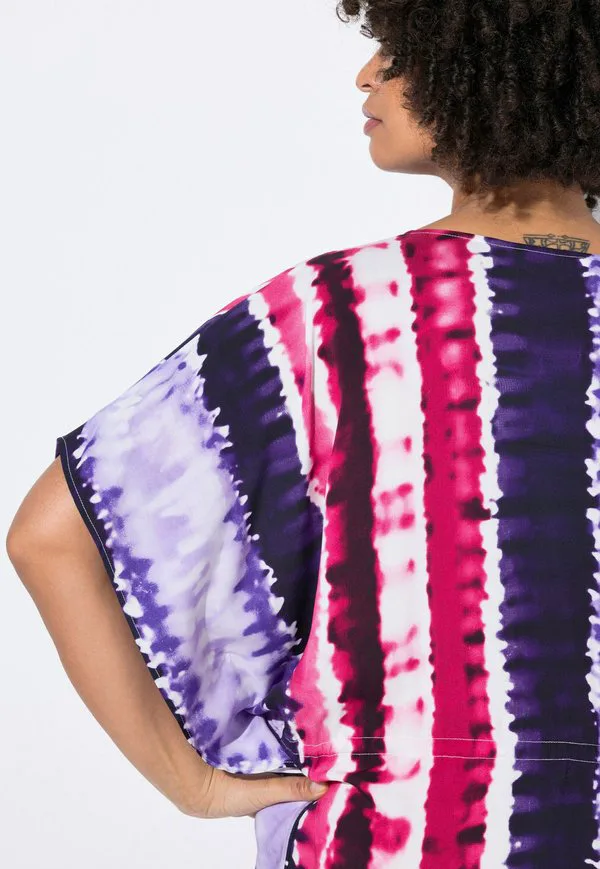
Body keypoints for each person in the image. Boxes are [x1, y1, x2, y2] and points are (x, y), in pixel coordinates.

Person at [7, 2, 600, 866]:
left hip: (402, 833)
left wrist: (192, 783)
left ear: (487, 67)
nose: (368, 75)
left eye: (398, 51)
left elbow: (49, 536)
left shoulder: (342, 314)